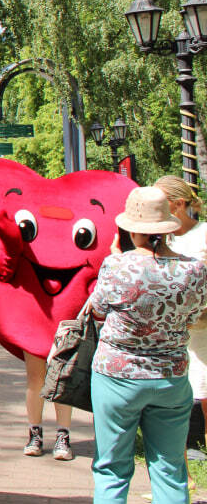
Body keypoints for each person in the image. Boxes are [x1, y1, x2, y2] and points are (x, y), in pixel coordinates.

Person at [88, 186, 207, 504]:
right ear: (167, 227)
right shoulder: (195, 269)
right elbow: (193, 316)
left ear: (131, 229)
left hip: (116, 376)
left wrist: (116, 258)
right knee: (170, 470)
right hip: (170, 377)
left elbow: (96, 309)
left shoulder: (116, 265)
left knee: (112, 469)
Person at [160, 174, 207, 453]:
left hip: (201, 326)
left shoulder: (203, 234)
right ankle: (185, 446)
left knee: (203, 385)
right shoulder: (160, 238)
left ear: (178, 204)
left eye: (161, 201)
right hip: (170, 329)